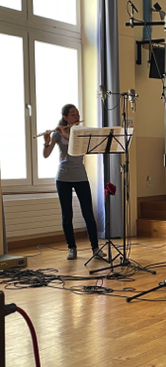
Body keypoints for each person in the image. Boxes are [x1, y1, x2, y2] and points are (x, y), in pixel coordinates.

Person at [43, 104, 106, 261]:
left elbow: (74, 146)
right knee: (67, 215)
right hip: (63, 177)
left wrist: (65, 133)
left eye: (77, 114)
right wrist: (47, 141)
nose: (77, 117)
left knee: (88, 213)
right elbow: (46, 154)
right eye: (73, 114)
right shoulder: (58, 135)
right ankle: (71, 248)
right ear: (65, 117)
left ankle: (95, 248)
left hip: (80, 176)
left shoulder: (81, 133)